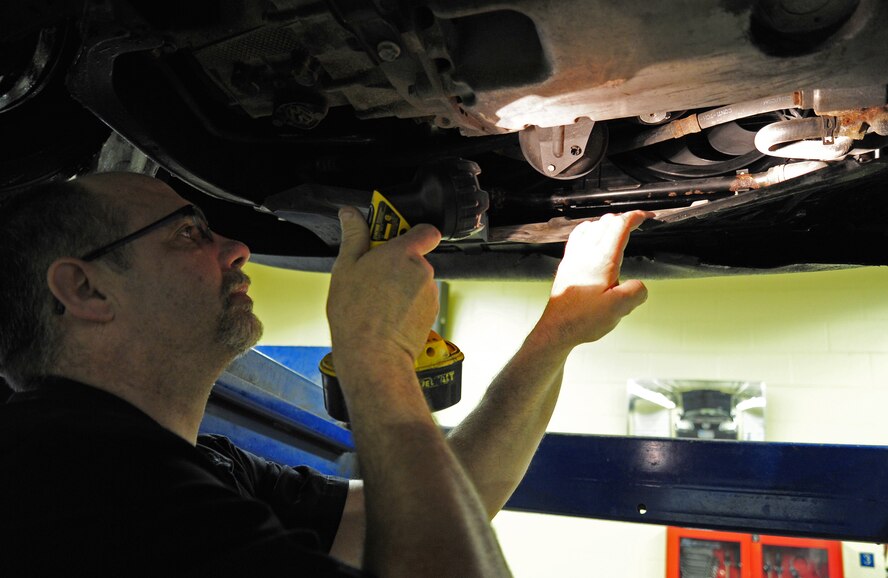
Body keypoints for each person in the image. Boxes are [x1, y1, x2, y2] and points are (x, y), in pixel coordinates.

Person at [0, 172, 650, 576]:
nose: (237, 248)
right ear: (85, 289)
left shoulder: (193, 466)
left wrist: (556, 335)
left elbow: (445, 508)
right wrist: (374, 353)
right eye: (189, 233)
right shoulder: (65, 485)